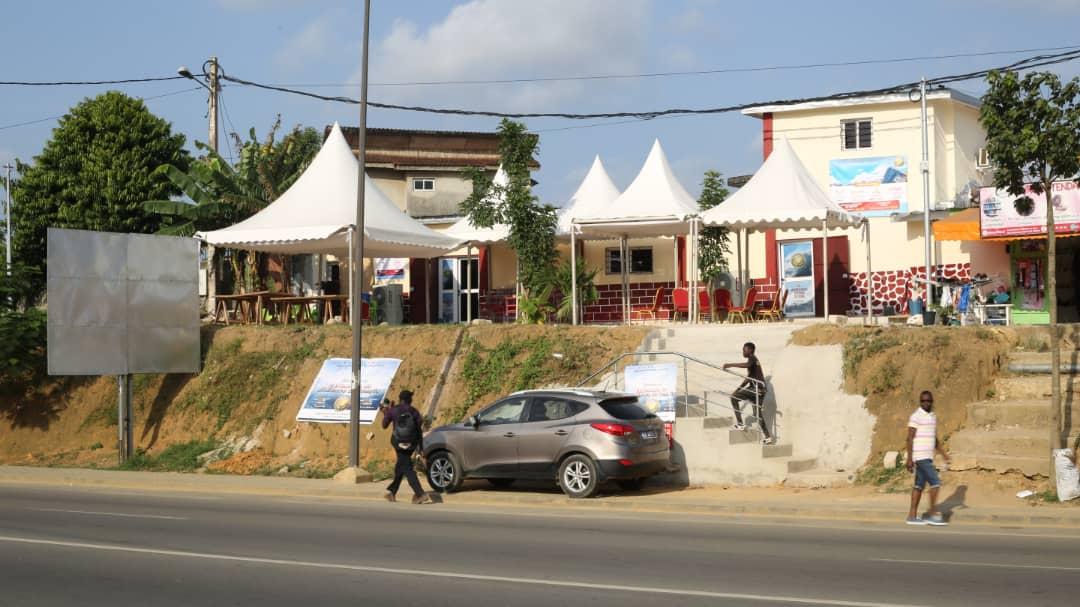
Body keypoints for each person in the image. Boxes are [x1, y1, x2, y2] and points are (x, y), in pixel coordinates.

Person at [380, 390, 432, 504]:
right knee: (401, 465)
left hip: (398, 443)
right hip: (411, 444)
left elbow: (384, 425)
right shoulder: (414, 411)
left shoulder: (393, 410)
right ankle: (392, 493)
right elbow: (419, 431)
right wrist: (420, 448)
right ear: (409, 400)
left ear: (400, 399)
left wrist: (385, 412)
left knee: (407, 468)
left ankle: (420, 494)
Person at [906, 390, 950, 526]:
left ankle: (912, 516)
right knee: (935, 482)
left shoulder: (932, 417)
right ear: (920, 402)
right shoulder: (915, 416)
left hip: (928, 457)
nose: (926, 403)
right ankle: (931, 514)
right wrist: (909, 458)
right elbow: (909, 438)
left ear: (932, 402)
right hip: (920, 457)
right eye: (923, 401)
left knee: (918, 486)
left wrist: (943, 454)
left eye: (928, 401)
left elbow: (933, 438)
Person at [722, 342, 774, 445]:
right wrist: (738, 389)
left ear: (750, 350)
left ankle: (740, 424)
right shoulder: (753, 362)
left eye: (744, 350)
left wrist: (730, 365)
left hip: (756, 389)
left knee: (734, 398)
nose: (743, 352)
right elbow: (748, 379)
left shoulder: (752, 358)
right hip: (760, 390)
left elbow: (747, 365)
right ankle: (768, 437)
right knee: (757, 414)